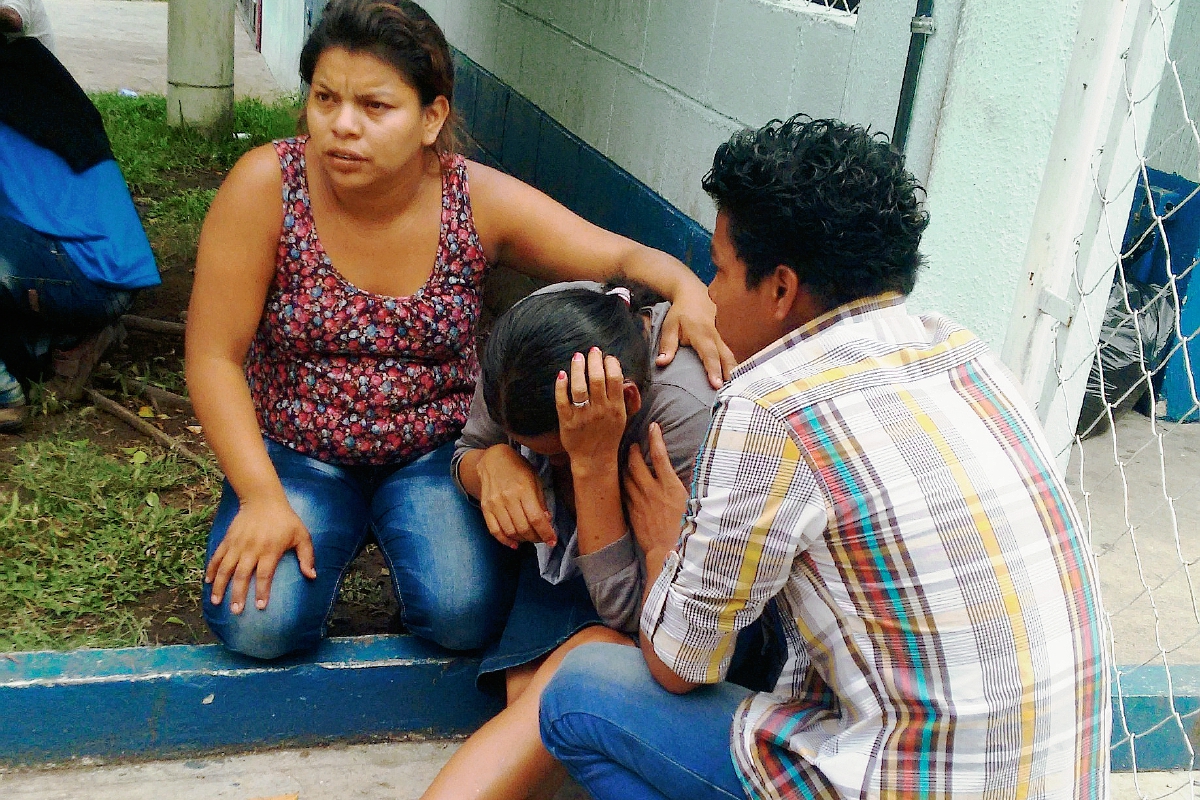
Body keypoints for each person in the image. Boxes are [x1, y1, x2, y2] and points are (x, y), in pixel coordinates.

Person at [538, 116, 1112, 800]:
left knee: (578, 694)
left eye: (719, 271)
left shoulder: (770, 407)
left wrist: (666, 543)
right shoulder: (964, 353)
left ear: (780, 289)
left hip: (901, 781)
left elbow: (678, 666)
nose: (710, 296)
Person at [185, 0, 733, 661]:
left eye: (375, 106)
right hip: (296, 450)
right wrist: (262, 495)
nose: (341, 126)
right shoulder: (266, 187)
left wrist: (686, 289)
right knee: (258, 626)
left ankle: (393, 529)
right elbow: (214, 357)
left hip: (432, 454)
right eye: (325, 98)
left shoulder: (472, 198)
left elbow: (618, 257)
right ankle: (311, 517)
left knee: (467, 617)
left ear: (431, 117)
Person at [423, 280, 776, 799]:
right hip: (564, 562)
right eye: (524, 449)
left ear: (624, 401)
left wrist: (589, 469)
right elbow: (470, 447)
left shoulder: (685, 417)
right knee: (537, 725)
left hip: (662, 601)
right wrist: (491, 464)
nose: (538, 464)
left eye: (553, 455)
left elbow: (639, 617)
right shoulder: (529, 345)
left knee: (560, 704)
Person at [0, 37, 158, 433]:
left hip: (86, 276)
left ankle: (5, 394)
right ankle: (62, 339)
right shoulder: (26, 65)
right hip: (107, 269)